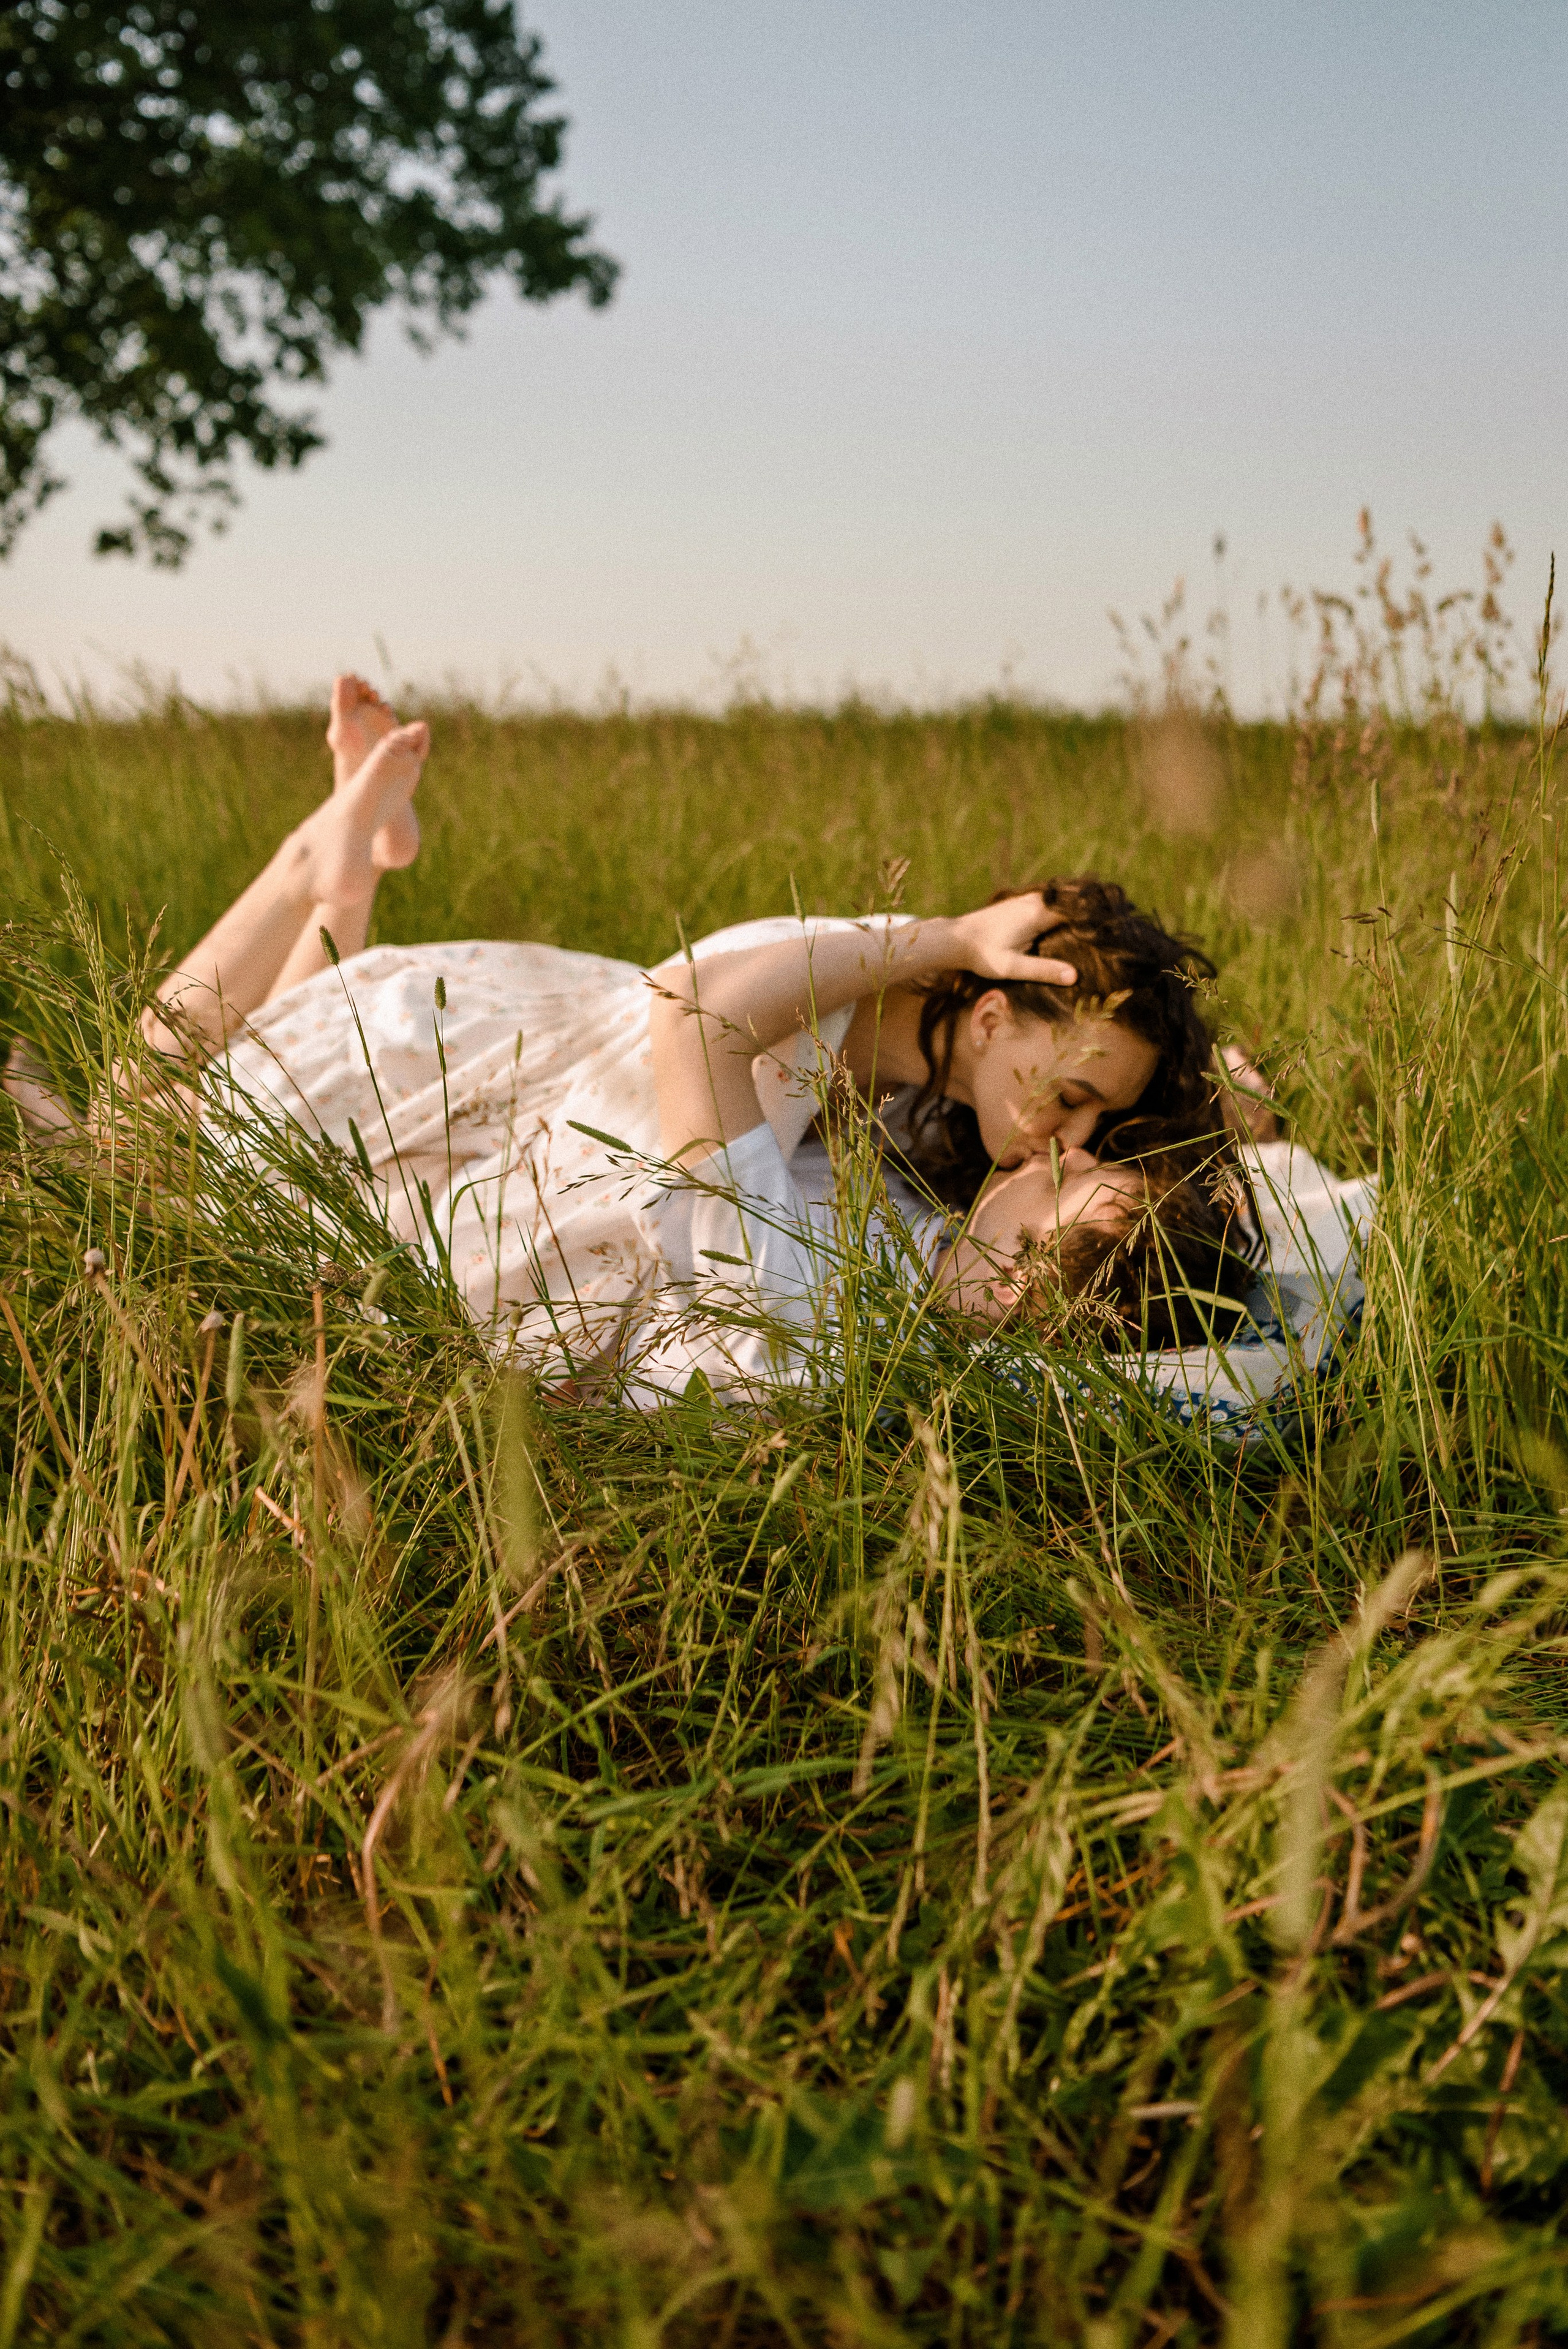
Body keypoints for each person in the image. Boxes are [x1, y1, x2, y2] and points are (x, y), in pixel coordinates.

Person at [74, 677, 1254, 1393]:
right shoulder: (878, 1010)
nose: (1078, 1144)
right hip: (524, 1060)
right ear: (993, 1009)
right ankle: (317, 866)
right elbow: (696, 1022)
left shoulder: (874, 1235)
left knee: (163, 1123)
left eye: (1092, 1141)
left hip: (515, 1110)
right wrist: (944, 931)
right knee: (156, 1106)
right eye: (1082, 1104)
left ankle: (340, 870)